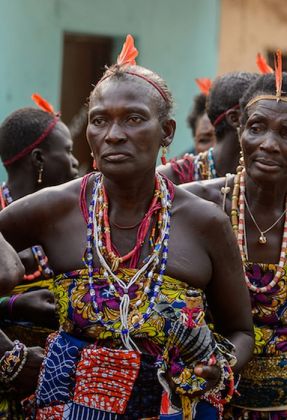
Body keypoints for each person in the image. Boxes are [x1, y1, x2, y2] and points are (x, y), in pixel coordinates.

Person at [0, 35, 253, 419]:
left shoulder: (205, 222)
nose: (113, 134)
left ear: (166, 132)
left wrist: (219, 366)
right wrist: (9, 355)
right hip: (69, 407)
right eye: (100, 120)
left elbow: (241, 332)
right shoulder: (54, 208)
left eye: (133, 118)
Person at [183, 66, 287, 417]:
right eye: (257, 128)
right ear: (239, 127)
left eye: (286, 133)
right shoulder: (196, 205)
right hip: (205, 401)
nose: (269, 144)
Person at [0, 97, 79, 418]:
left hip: (54, 374)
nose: (76, 162)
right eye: (69, 151)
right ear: (38, 159)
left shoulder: (72, 218)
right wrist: (17, 304)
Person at [158, 72, 258, 184]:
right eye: (204, 139)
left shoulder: (269, 176)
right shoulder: (170, 179)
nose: (215, 146)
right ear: (235, 119)